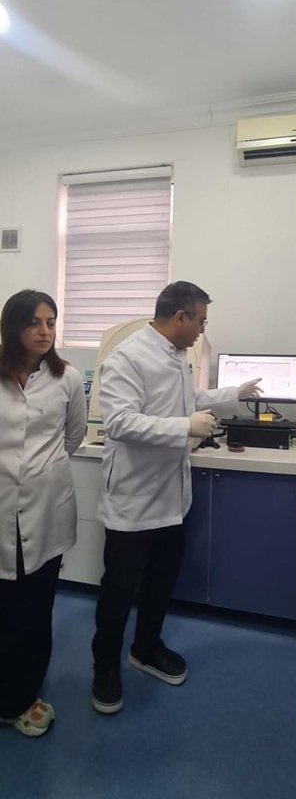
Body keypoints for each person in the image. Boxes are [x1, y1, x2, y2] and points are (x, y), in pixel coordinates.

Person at [91, 280, 262, 714]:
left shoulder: (176, 355)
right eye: (201, 321)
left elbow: (189, 398)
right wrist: (185, 426)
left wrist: (233, 394)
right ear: (180, 317)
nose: (203, 329)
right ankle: (105, 667)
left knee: (161, 581)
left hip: (173, 496)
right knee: (118, 589)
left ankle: (145, 648)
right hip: (133, 499)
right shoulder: (127, 357)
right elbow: (120, 422)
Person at [0, 289, 87, 737]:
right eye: (34, 322)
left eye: (51, 322)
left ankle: (21, 697)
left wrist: (38, 471)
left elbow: (74, 436)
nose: (44, 331)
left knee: (34, 611)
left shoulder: (66, 377)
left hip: (46, 510)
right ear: (12, 326)